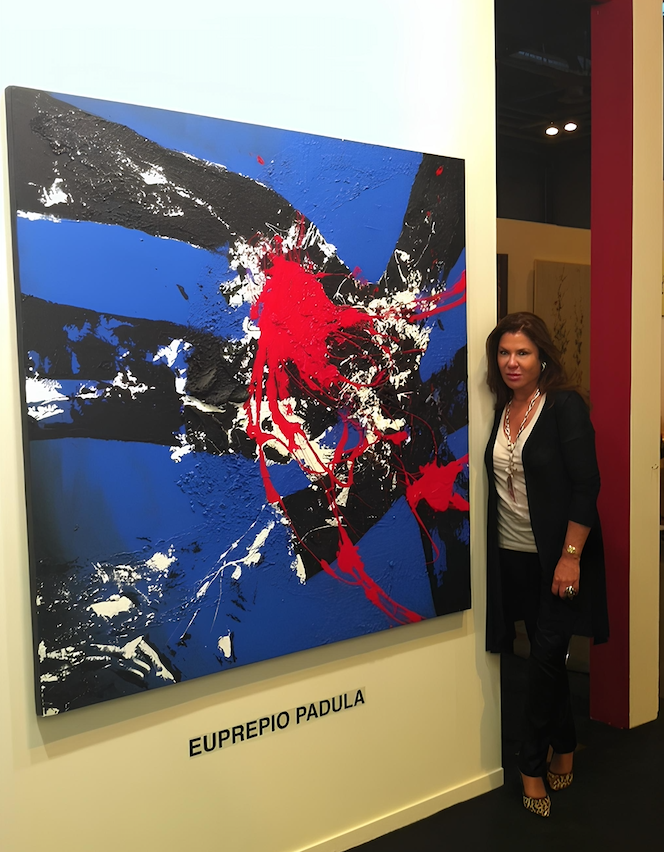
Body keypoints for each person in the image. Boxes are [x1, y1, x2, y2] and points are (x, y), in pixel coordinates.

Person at [484, 312, 608, 818]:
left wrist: (570, 559)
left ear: (543, 359)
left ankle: (529, 766)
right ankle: (567, 743)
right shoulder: (499, 408)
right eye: (505, 353)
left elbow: (587, 486)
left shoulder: (563, 408)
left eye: (524, 353)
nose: (513, 363)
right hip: (511, 556)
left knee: (543, 660)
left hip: (559, 559)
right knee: (545, 658)